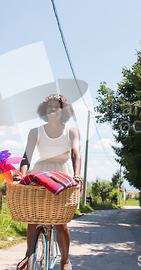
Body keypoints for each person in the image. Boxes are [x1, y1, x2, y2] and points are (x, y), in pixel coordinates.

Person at [17, 94, 82, 270]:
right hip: (41, 173)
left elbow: (76, 154)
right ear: (44, 111)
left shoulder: (72, 131)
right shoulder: (35, 132)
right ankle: (28, 255)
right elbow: (26, 157)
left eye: (57, 106)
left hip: (63, 174)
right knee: (33, 217)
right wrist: (22, 175)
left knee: (61, 222)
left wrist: (77, 175)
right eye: (50, 107)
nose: (53, 109)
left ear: (64, 111)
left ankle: (65, 261)